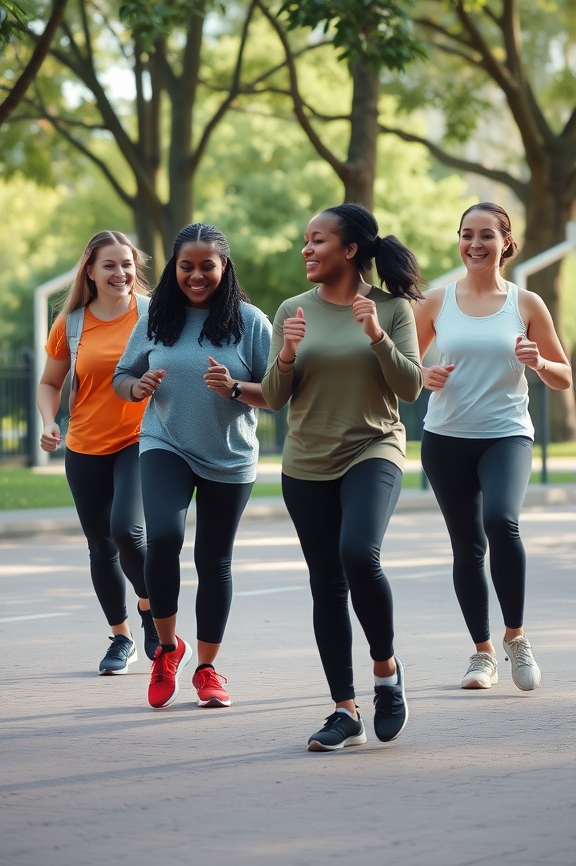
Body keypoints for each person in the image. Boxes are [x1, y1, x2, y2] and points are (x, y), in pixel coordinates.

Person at [261, 203, 423, 752]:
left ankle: (386, 671)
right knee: (325, 583)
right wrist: (285, 352)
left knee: (359, 553)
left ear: (350, 250)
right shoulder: (291, 310)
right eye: (305, 241)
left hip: (373, 447)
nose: (306, 250)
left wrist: (377, 334)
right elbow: (276, 399)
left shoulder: (391, 308)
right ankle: (344, 709)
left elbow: (410, 388)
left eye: (318, 240)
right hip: (306, 461)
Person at [113, 222, 272, 711]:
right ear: (173, 269)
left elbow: (277, 395)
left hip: (229, 455)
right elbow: (123, 374)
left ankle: (206, 667)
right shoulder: (157, 318)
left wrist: (235, 388)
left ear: (224, 268)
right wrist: (135, 388)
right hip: (166, 443)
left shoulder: (250, 322)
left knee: (213, 560)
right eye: (187, 266)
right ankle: (166, 648)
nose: (197, 275)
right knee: (162, 536)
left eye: (208, 266)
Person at [414, 202, 572, 692]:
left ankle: (516, 637)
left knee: (501, 520)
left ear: (506, 242)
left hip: (506, 434)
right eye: (466, 235)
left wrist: (538, 363)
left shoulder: (526, 304)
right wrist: (425, 375)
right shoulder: (436, 302)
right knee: (468, 546)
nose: (475, 244)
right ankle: (482, 653)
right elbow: (400, 371)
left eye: (486, 235)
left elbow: (565, 375)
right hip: (446, 439)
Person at [37, 230, 158, 675]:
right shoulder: (71, 324)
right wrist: (49, 422)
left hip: (140, 439)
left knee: (127, 531)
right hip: (84, 444)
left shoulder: (152, 315)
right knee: (100, 546)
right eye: (109, 265)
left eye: (126, 264)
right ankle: (121, 635)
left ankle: (150, 609)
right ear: (90, 270)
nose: (120, 273)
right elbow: (50, 384)